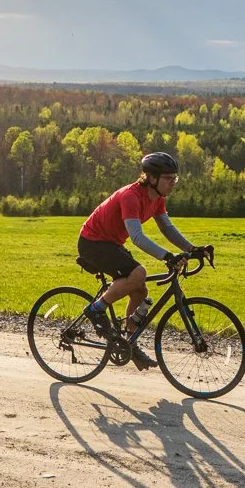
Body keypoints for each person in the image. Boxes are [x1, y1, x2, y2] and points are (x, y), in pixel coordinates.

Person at [76, 150, 210, 369]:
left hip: (111, 243)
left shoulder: (157, 199)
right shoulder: (131, 196)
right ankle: (96, 309)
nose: (173, 183)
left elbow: (167, 227)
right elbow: (137, 237)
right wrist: (167, 256)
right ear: (152, 178)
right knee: (139, 273)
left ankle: (130, 343)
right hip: (92, 242)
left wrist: (192, 249)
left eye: (175, 178)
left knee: (140, 291)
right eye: (168, 178)